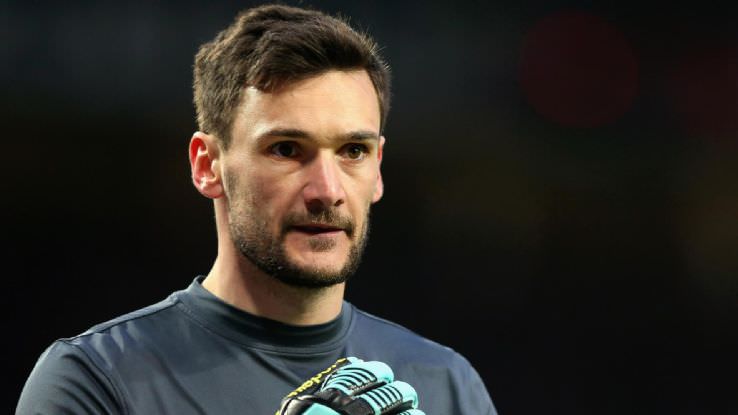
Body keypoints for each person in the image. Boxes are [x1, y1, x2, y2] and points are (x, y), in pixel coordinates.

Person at [17, 4, 498, 414]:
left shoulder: (449, 387)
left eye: (353, 151)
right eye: (286, 149)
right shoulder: (95, 382)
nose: (327, 190)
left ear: (378, 169)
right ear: (207, 165)